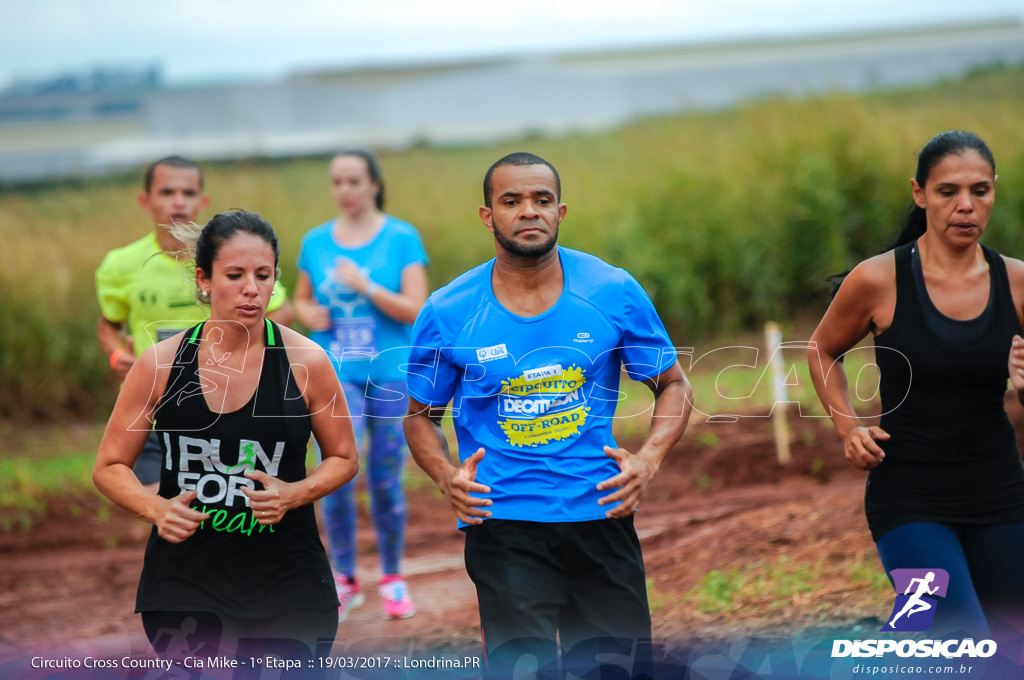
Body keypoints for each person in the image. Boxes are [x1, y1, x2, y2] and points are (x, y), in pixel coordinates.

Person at [403, 152, 692, 678]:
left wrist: (648, 461)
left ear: (561, 211)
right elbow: (419, 416)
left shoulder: (612, 290)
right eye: (511, 201)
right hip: (502, 523)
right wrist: (447, 477)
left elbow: (673, 384)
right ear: (488, 215)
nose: (528, 211)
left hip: (601, 514)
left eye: (540, 200)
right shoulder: (449, 310)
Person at [93, 211, 358, 661]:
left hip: (289, 579)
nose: (252, 289)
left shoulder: (307, 362)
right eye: (234, 275)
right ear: (204, 279)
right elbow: (109, 466)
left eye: (264, 275)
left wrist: (294, 493)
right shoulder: (159, 364)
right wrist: (156, 508)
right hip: (185, 583)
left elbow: (345, 458)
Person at [808, 130, 1024, 639]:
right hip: (909, 496)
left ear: (995, 189)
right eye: (948, 191)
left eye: (980, 191)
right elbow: (820, 349)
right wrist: (847, 429)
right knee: (963, 639)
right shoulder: (879, 280)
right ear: (920, 193)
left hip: (1000, 490)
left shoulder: (1016, 283)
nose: (966, 206)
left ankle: (887, 649)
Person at [96, 156, 295, 488]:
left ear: (202, 201)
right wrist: (118, 356)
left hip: (222, 404)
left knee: (224, 503)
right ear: (145, 200)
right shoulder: (121, 264)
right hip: (152, 405)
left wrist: (240, 361)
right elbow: (108, 325)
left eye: (188, 193)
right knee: (161, 507)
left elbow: (281, 311)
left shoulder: (230, 256)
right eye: (167, 192)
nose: (178, 201)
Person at [294, 150, 428, 621]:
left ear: (374, 184)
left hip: (392, 372)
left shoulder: (401, 237)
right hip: (334, 373)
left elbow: (418, 310)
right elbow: (302, 300)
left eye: (353, 181)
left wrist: (367, 287)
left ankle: (392, 577)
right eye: (337, 182)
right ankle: (344, 579)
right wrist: (308, 313)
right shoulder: (315, 242)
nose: (344, 190)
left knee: (386, 477)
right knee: (334, 473)